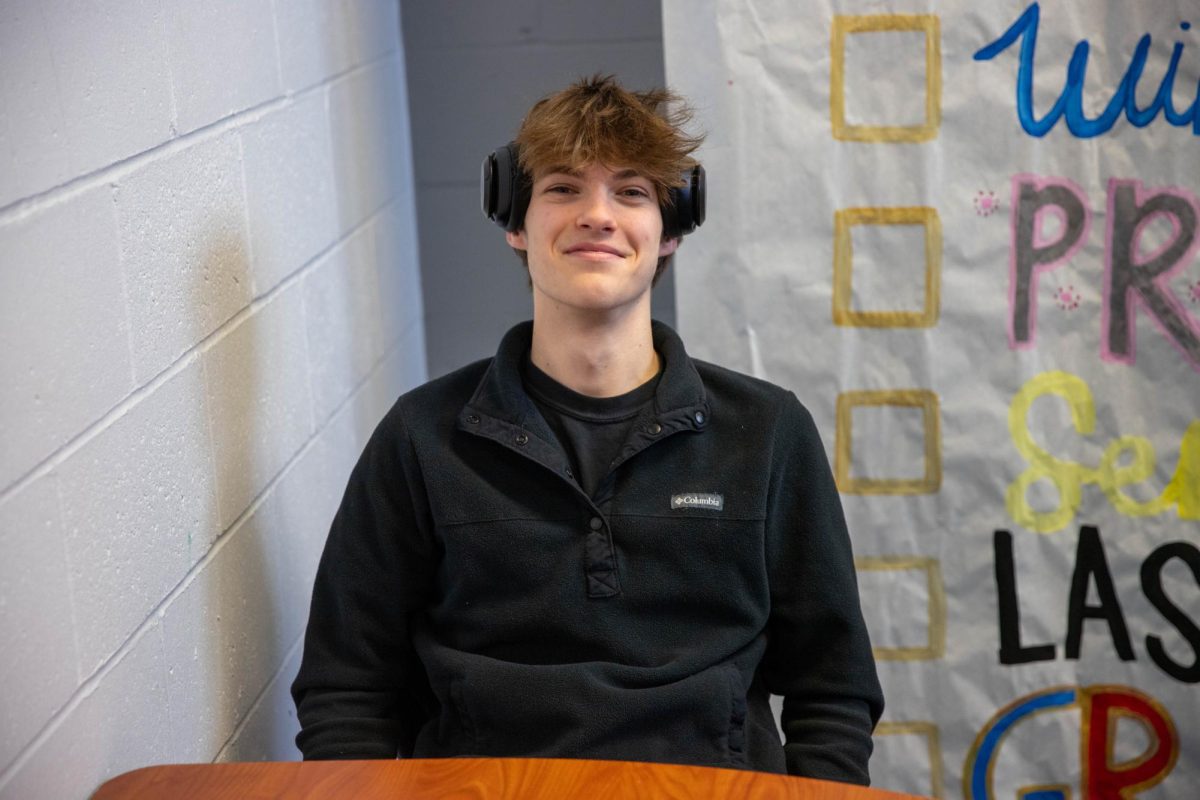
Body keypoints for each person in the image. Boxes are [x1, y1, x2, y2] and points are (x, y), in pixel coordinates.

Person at [291, 75, 883, 784]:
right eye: (565, 188)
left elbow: (834, 689)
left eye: (631, 192)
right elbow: (346, 689)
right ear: (515, 219)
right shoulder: (422, 436)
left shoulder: (767, 431)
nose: (597, 215)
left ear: (670, 229)